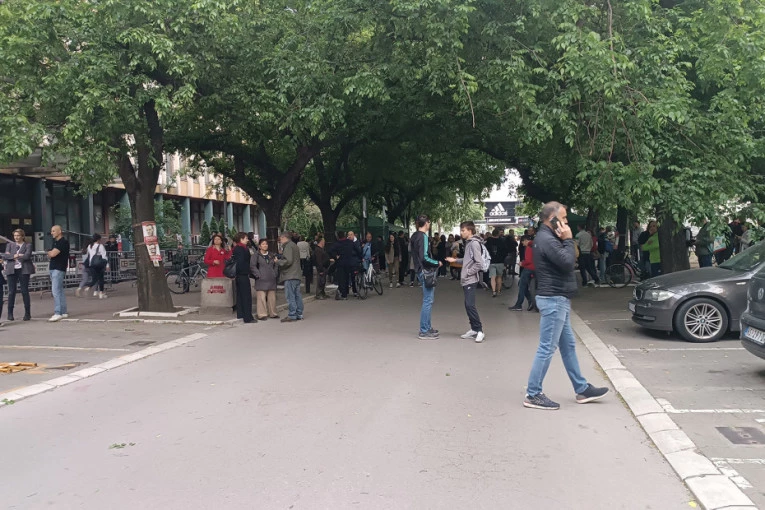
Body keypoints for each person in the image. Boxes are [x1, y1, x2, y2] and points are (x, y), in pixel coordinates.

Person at [523, 202, 609, 410]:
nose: (567, 222)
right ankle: (533, 394)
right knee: (547, 347)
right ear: (552, 219)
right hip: (554, 298)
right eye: (563, 218)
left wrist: (565, 239)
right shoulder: (547, 239)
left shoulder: (548, 237)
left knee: (568, 345)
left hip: (558, 297)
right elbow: (568, 262)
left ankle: (581, 388)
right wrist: (568, 239)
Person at [446, 221, 485, 343]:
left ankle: (479, 330)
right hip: (467, 279)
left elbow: (479, 263)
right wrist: (455, 260)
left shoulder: (474, 244)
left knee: (470, 305)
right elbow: (468, 260)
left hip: (470, 279)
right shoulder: (469, 243)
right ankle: (474, 329)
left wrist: (468, 272)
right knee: (468, 305)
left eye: (463, 230)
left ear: (470, 230)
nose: (461, 233)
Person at [410, 214, 442, 340]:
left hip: (419, 270)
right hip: (425, 271)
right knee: (428, 300)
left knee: (428, 300)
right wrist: (437, 263)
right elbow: (424, 257)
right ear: (427, 223)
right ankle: (424, 330)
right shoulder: (423, 236)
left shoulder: (414, 236)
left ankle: (427, 327)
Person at [2, 229, 34, 321]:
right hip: (11, 270)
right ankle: (10, 313)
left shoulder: (28, 245)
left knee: (24, 291)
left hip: (23, 270)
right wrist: (14, 256)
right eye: (15, 235)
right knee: (11, 292)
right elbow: (5, 256)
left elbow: (27, 256)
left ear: (23, 236)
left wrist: (15, 255)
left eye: (18, 235)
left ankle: (27, 313)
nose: (16, 237)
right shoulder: (10, 245)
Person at [277, 231, 303, 322]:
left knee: (290, 296)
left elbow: (288, 261)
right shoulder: (294, 245)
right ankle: (299, 313)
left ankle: (292, 314)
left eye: (280, 238)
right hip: (296, 274)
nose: (280, 240)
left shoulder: (288, 246)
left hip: (290, 275)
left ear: (284, 237)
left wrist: (278, 262)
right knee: (297, 295)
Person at [251, 238, 279, 320]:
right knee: (261, 298)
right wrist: (258, 275)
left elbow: (275, 264)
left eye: (266, 244)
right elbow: (252, 266)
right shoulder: (256, 255)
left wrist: (275, 273)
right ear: (259, 246)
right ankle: (262, 314)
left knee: (272, 298)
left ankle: (273, 313)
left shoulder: (271, 255)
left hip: (271, 278)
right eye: (263, 244)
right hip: (261, 279)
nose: (265, 245)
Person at [329, 231, 361, 300]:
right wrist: (360, 258)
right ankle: (353, 291)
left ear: (338, 237)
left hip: (341, 263)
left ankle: (344, 294)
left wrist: (335, 256)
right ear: (344, 235)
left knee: (342, 279)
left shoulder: (337, 244)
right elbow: (358, 250)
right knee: (349, 277)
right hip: (349, 262)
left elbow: (330, 250)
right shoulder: (350, 242)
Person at [47, 225, 70, 322]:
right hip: (54, 268)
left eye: (53, 231)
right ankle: (63, 312)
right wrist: (50, 253)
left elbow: (52, 254)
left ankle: (58, 312)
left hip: (58, 268)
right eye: (51, 231)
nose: (51, 233)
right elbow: (51, 254)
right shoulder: (55, 242)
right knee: (59, 290)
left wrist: (49, 252)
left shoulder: (63, 242)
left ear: (59, 231)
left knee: (55, 291)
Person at [231, 232, 255, 323]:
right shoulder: (241, 249)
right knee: (246, 296)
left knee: (240, 295)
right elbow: (241, 263)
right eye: (246, 238)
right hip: (243, 274)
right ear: (241, 239)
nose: (247, 240)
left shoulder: (237, 248)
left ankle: (241, 314)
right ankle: (248, 317)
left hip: (240, 275)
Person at [510, 237, 537, 311]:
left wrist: (522, 263)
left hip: (528, 269)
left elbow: (528, 260)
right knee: (525, 284)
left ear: (526, 240)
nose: (522, 243)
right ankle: (531, 301)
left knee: (521, 285)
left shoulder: (529, 247)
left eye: (522, 242)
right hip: (536, 269)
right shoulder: (536, 245)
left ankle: (519, 304)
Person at [85, 234, 109, 299]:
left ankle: (89, 287)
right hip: (99, 264)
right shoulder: (100, 246)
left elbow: (89, 255)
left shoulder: (89, 246)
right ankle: (101, 292)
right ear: (98, 239)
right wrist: (107, 265)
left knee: (94, 278)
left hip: (91, 264)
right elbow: (104, 256)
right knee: (101, 278)